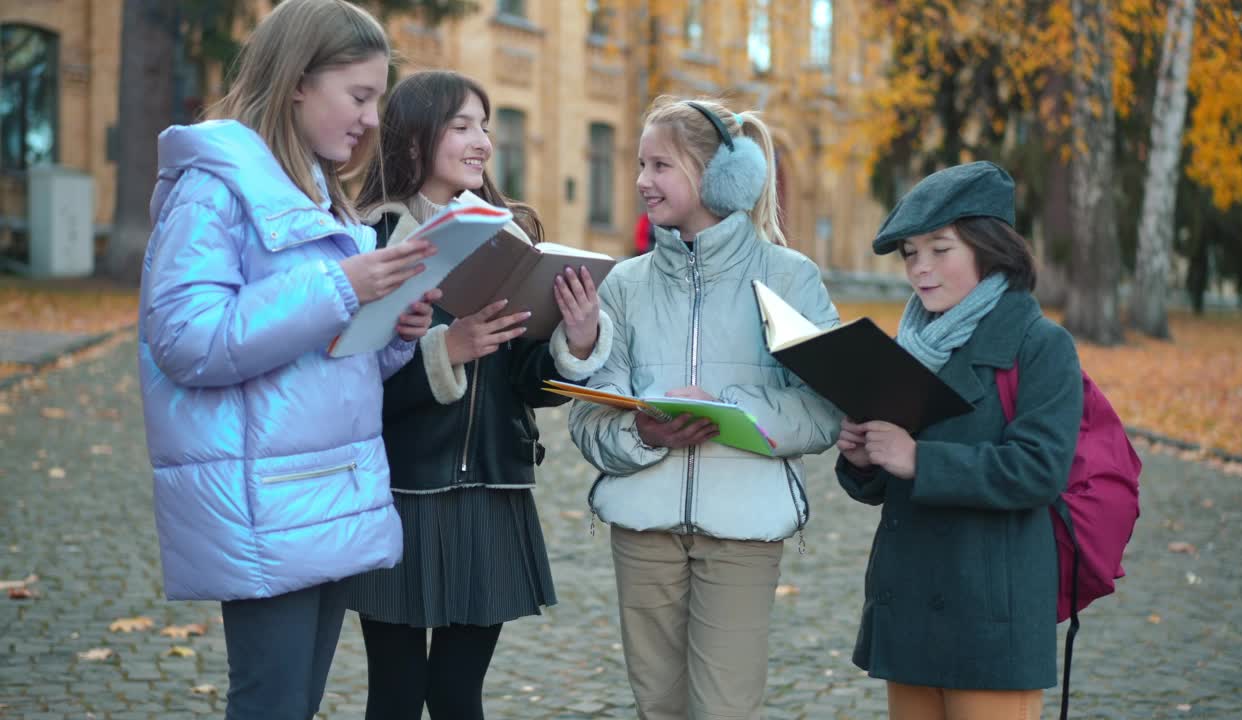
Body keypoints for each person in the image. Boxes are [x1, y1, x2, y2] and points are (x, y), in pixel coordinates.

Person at [136, 1, 440, 718]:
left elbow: (327, 355)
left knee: (294, 704)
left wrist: (394, 329)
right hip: (263, 496)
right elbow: (186, 339)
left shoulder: (318, 189)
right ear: (298, 81)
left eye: (377, 99)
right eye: (359, 96)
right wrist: (341, 286)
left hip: (325, 487)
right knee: (271, 702)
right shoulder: (215, 188)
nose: (371, 119)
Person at [345, 70, 614, 720]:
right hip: (401, 492)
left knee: (459, 693)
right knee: (397, 695)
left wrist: (574, 342)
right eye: (463, 126)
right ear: (414, 139)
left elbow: (528, 382)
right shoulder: (372, 242)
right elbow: (349, 385)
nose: (483, 142)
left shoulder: (510, 235)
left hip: (494, 488)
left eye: (486, 127)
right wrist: (447, 350)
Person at [566, 96, 842, 720]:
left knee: (724, 709)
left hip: (744, 534)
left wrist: (727, 408)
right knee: (657, 708)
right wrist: (643, 434)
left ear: (723, 178)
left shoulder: (790, 278)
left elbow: (827, 410)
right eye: (639, 164)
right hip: (642, 533)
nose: (641, 181)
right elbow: (588, 422)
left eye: (660, 165)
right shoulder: (623, 286)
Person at [835, 161, 1085, 720]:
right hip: (908, 611)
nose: (920, 269)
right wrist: (862, 459)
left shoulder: (1041, 345)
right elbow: (885, 481)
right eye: (910, 253)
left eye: (939, 249)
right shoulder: (909, 346)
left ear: (990, 248)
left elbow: (1040, 469)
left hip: (990, 620)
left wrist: (919, 459)